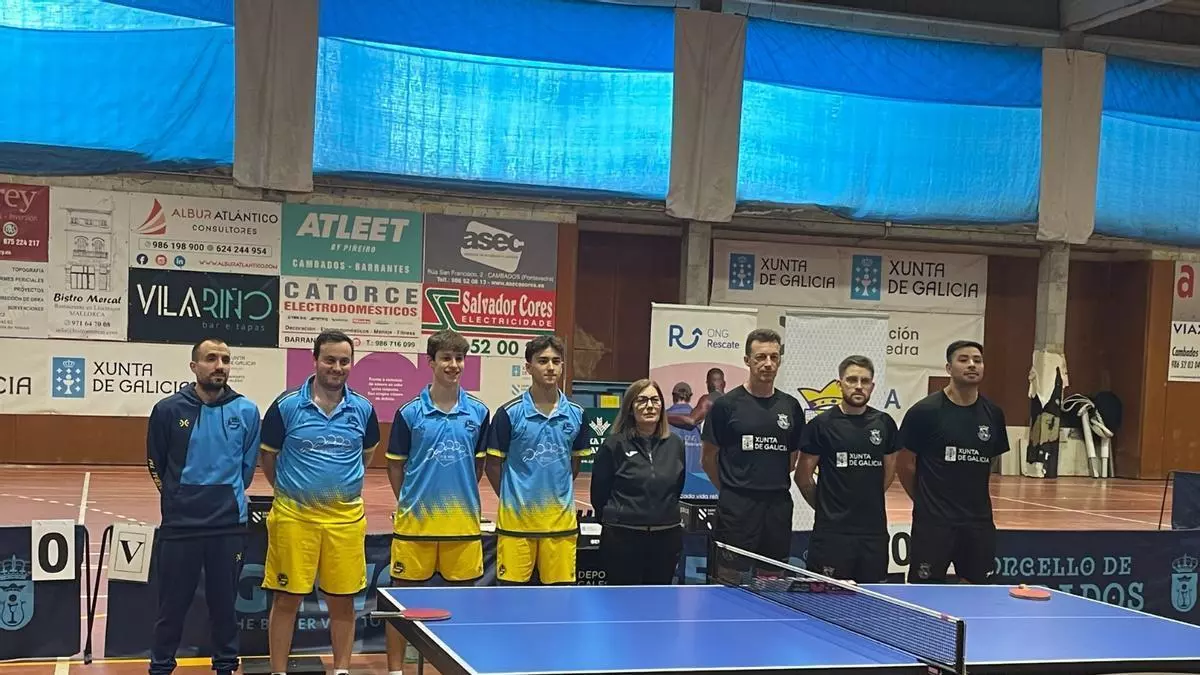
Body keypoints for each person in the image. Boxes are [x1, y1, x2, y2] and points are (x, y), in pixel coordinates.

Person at [259, 331, 381, 675]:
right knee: (286, 599)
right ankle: (278, 671)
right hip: (294, 519)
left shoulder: (363, 409)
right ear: (314, 360)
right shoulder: (286, 406)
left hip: (345, 521)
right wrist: (293, 491)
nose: (337, 367)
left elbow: (366, 455)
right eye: (329, 360)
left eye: (344, 361)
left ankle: (341, 670)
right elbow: (268, 457)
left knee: (343, 600)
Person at [146, 337, 261, 675]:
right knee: (171, 608)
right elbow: (155, 462)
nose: (219, 365)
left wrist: (225, 497)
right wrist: (176, 499)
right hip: (180, 526)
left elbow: (247, 467)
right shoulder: (168, 410)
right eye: (211, 358)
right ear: (194, 366)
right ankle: (161, 667)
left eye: (225, 359)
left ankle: (225, 666)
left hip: (228, 525)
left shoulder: (247, 410)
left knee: (224, 607)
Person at [385, 330, 490, 674]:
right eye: (446, 358)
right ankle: (395, 670)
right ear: (430, 362)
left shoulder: (479, 412)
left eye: (459, 358)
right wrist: (410, 502)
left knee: (463, 605)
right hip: (415, 526)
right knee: (401, 604)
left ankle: (460, 666)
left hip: (462, 526)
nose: (453, 365)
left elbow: (477, 466)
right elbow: (395, 465)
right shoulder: (409, 412)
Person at [896, 340, 1009, 584]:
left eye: (977, 360)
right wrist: (925, 501)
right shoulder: (924, 411)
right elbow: (904, 464)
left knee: (977, 591)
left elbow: (989, 460)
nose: (972, 365)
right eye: (963, 360)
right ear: (948, 368)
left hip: (978, 523)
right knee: (925, 591)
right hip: (933, 524)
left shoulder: (993, 414)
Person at [485, 334, 591, 585]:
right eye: (542, 361)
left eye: (556, 361)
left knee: (560, 600)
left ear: (562, 366)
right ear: (528, 367)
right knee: (512, 598)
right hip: (516, 527)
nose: (550, 367)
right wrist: (513, 498)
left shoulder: (577, 414)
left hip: (560, 527)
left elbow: (573, 465)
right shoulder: (508, 414)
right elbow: (492, 465)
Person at [701, 329, 805, 561]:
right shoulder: (726, 405)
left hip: (777, 506)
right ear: (747, 360)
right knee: (729, 575)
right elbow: (708, 459)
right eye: (760, 357)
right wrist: (732, 490)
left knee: (773, 575)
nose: (768, 363)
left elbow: (791, 460)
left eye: (773, 357)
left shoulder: (791, 406)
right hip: (736, 508)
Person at [794, 355, 898, 583]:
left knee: (872, 597)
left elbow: (889, 471)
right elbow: (803, 478)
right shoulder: (820, 425)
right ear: (840, 384)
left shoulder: (885, 424)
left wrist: (867, 499)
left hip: (873, 534)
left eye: (865, 381)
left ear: (872, 386)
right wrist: (826, 509)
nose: (858, 386)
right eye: (852, 380)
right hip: (832, 535)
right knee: (827, 598)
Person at [590, 378, 686, 585]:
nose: (649, 406)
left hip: (666, 539)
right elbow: (599, 494)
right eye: (641, 400)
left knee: (658, 600)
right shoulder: (613, 445)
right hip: (622, 539)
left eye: (655, 400)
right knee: (622, 601)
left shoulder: (676, 444)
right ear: (630, 408)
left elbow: (676, 487)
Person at [667, 367, 725, 432]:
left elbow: (692, 420)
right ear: (724, 383)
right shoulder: (730, 400)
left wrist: (665, 417)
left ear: (707, 383)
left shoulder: (708, 399)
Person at [666, 382, 703, 473]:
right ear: (690, 397)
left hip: (671, 474)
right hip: (696, 474)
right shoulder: (699, 419)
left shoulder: (663, 417)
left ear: (673, 396)